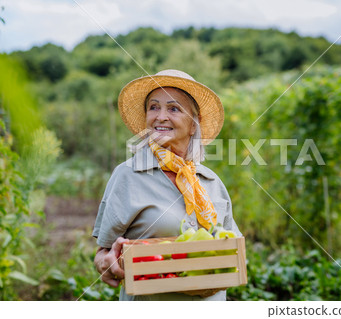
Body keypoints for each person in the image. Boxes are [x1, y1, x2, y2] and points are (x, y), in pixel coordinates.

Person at [92, 69, 241, 301]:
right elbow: (102, 253)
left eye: (173, 108)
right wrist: (106, 263)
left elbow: (233, 250)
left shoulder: (211, 182)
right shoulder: (128, 175)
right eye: (153, 107)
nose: (160, 116)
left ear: (194, 125)